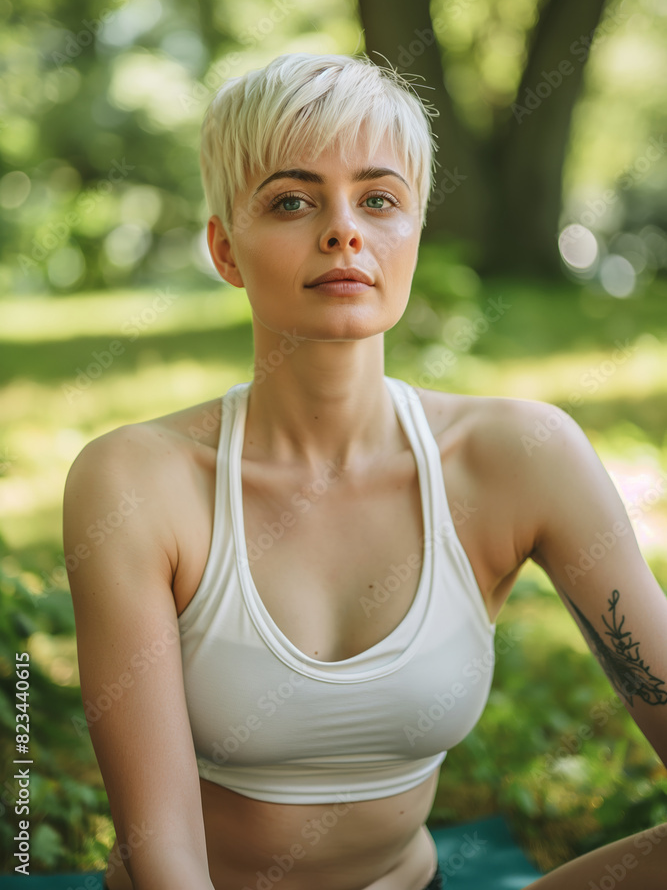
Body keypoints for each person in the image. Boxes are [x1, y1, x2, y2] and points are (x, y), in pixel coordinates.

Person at [64, 52, 667, 890]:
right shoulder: (136, 481)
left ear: (414, 230)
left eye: (378, 199)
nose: (344, 229)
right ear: (225, 248)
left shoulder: (520, 457)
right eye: (291, 200)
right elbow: (165, 854)